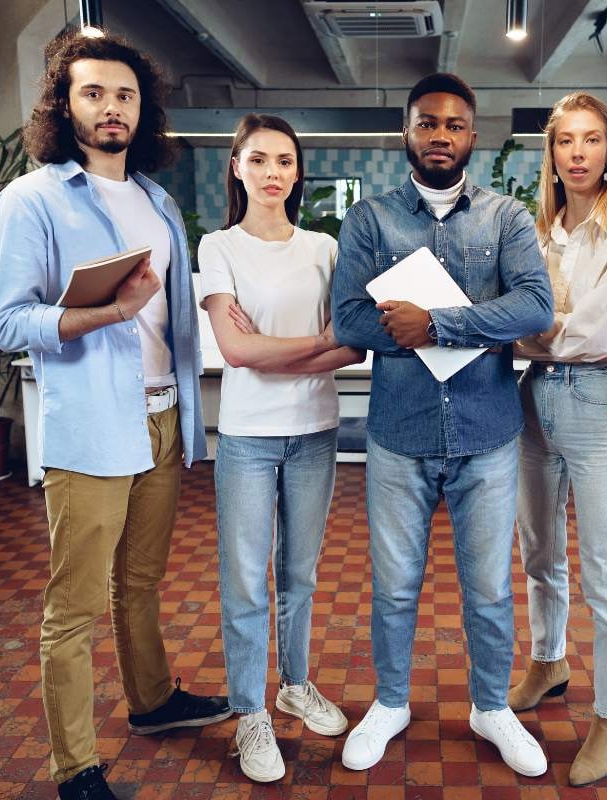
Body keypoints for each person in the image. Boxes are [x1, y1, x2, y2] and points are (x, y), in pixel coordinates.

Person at [0, 28, 229, 800]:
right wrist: (103, 314)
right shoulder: (32, 199)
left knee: (142, 580)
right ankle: (75, 768)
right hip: (93, 424)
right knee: (76, 605)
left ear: (142, 108)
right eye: (93, 92)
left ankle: (153, 701)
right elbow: (7, 323)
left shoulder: (158, 200)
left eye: (124, 94)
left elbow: (173, 324)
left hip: (161, 416)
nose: (111, 107)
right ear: (65, 104)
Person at [331, 72, 555, 778]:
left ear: (472, 135)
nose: (440, 136)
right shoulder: (370, 220)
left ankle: (492, 706)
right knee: (395, 585)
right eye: (427, 123)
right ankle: (391, 701)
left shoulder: (506, 218)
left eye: (454, 125)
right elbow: (349, 319)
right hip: (399, 434)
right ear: (407, 131)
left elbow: (534, 308)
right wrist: (425, 327)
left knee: (489, 588)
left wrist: (439, 323)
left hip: (487, 435)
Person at [197, 113, 363, 783]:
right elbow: (236, 351)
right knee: (245, 582)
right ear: (236, 167)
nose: (273, 173)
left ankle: (295, 686)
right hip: (246, 437)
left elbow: (353, 344)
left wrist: (282, 352)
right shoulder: (219, 247)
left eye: (285, 162)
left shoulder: (324, 248)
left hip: (315, 430)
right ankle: (249, 714)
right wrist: (315, 346)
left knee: (299, 573)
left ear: (298, 172)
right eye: (259, 160)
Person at [508, 92, 607, 787]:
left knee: (605, 569)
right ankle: (549, 659)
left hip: (595, 399)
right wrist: (531, 329)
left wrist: (526, 331)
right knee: (538, 550)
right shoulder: (536, 235)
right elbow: (524, 314)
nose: (577, 152)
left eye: (591, 139)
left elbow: (594, 333)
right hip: (532, 398)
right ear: (552, 152)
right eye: (565, 140)